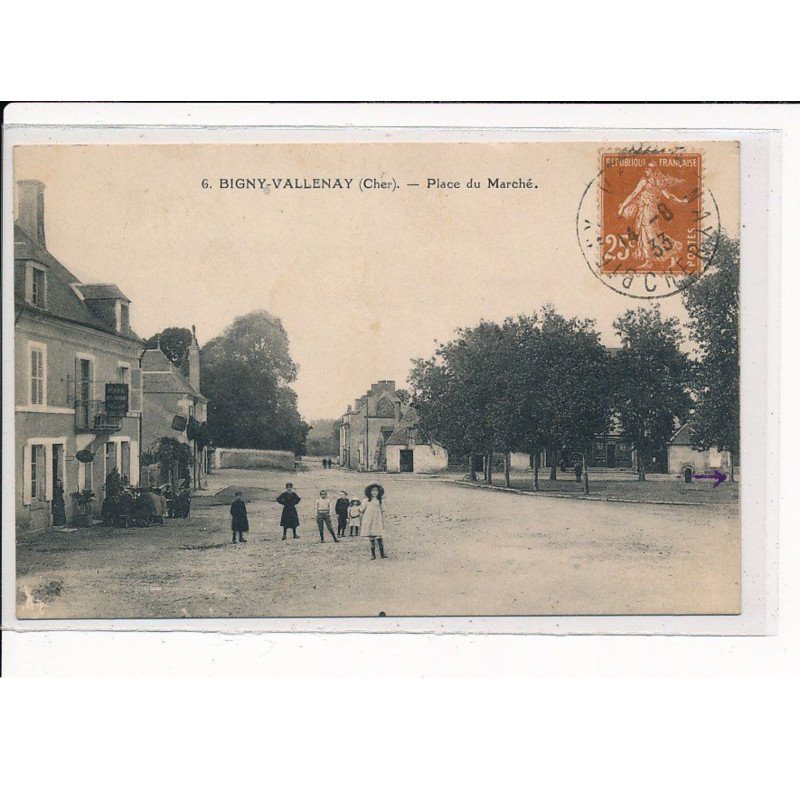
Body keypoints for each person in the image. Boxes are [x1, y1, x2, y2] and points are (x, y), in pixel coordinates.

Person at [361, 483, 387, 559]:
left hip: (377, 520)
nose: (374, 492)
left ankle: (382, 554)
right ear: (370, 491)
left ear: (379, 492)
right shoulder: (366, 500)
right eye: (372, 491)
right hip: (369, 520)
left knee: (379, 536)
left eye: (376, 490)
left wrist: (382, 520)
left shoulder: (380, 500)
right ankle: (373, 555)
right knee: (371, 536)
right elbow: (362, 509)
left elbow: (383, 510)